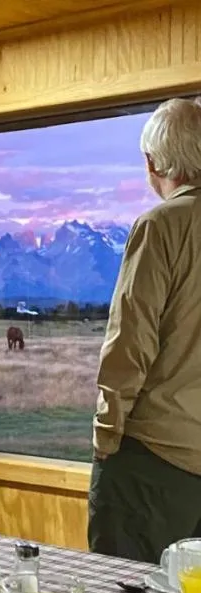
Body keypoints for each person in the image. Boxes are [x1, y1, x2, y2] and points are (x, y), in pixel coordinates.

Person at [88, 98, 201, 564]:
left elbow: (129, 342)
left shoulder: (161, 225)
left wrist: (106, 435)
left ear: (153, 162)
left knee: (121, 582)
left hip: (152, 459)